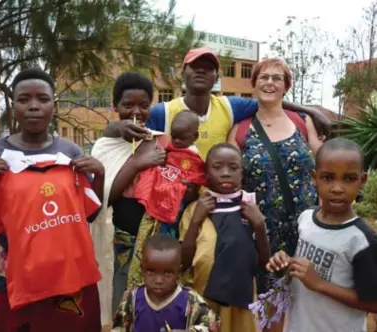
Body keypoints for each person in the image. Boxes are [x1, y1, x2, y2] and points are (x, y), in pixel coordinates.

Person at [0, 68, 104, 332]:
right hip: (17, 268)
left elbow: (89, 213)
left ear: (53, 105)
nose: (33, 106)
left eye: (42, 99)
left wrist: (99, 174)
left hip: (67, 268)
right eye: (24, 99)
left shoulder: (69, 152)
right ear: (13, 105)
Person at [103, 47, 331, 161]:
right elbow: (126, 131)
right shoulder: (163, 112)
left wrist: (311, 111)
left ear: (216, 76)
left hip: (216, 201)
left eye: (209, 67)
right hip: (174, 200)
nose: (202, 70)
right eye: (195, 66)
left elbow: (269, 101)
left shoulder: (230, 107)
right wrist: (113, 127)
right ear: (184, 73)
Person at [227, 59, 321, 316]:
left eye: (276, 78)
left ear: (286, 86)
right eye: (264, 77)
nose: (270, 82)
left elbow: (323, 163)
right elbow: (231, 181)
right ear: (255, 84)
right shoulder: (240, 130)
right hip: (264, 235)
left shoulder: (303, 121)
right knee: (273, 306)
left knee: (311, 299)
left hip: (308, 229)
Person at [90, 71, 176, 327]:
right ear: (115, 106)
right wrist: (137, 164)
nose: (136, 111)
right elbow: (103, 198)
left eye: (143, 105)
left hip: (159, 243)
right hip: (121, 242)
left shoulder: (162, 140)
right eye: (128, 105)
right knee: (123, 302)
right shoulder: (105, 145)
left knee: (160, 305)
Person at [266, 138, 377, 332]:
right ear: (314, 178)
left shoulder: (361, 240)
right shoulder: (306, 218)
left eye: (349, 178)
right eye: (328, 177)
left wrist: (319, 284)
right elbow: (298, 265)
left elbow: (373, 303)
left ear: (363, 181)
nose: (337, 188)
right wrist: (283, 262)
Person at [180, 143, 270, 332]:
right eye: (217, 167)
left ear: (242, 173)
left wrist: (260, 226)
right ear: (206, 173)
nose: (226, 173)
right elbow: (184, 261)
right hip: (204, 299)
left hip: (241, 303)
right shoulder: (194, 210)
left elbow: (264, 263)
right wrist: (196, 220)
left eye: (233, 167)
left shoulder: (250, 208)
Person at [112, 234, 219, 332]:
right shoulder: (133, 297)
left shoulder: (191, 302)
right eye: (151, 272)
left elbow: (211, 327)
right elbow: (119, 326)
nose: (158, 280)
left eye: (168, 273)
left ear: (179, 272)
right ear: (142, 269)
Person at [133, 110, 205, 224]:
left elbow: (198, 175)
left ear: (195, 136)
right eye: (174, 137)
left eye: (182, 138)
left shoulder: (194, 156)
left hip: (176, 196)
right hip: (163, 183)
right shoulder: (169, 147)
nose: (176, 141)